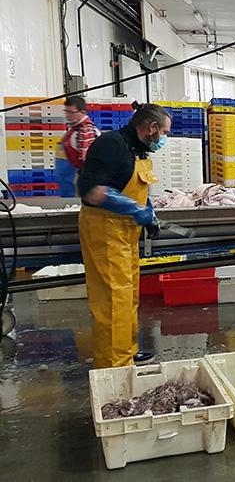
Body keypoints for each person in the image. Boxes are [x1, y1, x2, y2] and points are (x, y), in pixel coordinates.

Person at [77, 102, 171, 368]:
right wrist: (133, 208)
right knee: (112, 302)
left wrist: (147, 212)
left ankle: (126, 353)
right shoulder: (111, 145)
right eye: (163, 132)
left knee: (128, 296)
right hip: (105, 230)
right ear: (151, 128)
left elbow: (137, 188)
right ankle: (113, 367)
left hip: (126, 233)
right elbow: (90, 190)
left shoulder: (139, 151)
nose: (163, 138)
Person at [56, 96, 101, 197]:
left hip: (77, 190)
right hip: (68, 188)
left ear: (83, 112)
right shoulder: (74, 129)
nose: (68, 115)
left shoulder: (86, 132)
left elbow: (90, 164)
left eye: (71, 112)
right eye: (66, 111)